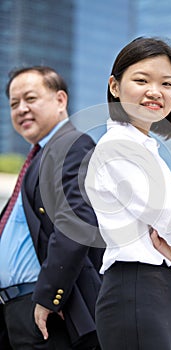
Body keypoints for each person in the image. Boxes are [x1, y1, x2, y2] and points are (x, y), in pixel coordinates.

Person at [85, 37, 171, 350]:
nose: (156, 91)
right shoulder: (119, 147)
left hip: (154, 292)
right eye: (141, 80)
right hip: (135, 291)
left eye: (167, 83)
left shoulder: (145, 150)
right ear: (114, 86)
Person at [0, 66, 103, 350]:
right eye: (13, 104)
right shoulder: (39, 157)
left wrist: (48, 297)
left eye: (30, 98)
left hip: (46, 310)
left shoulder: (70, 144)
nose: (21, 109)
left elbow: (77, 221)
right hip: (18, 309)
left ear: (60, 100)